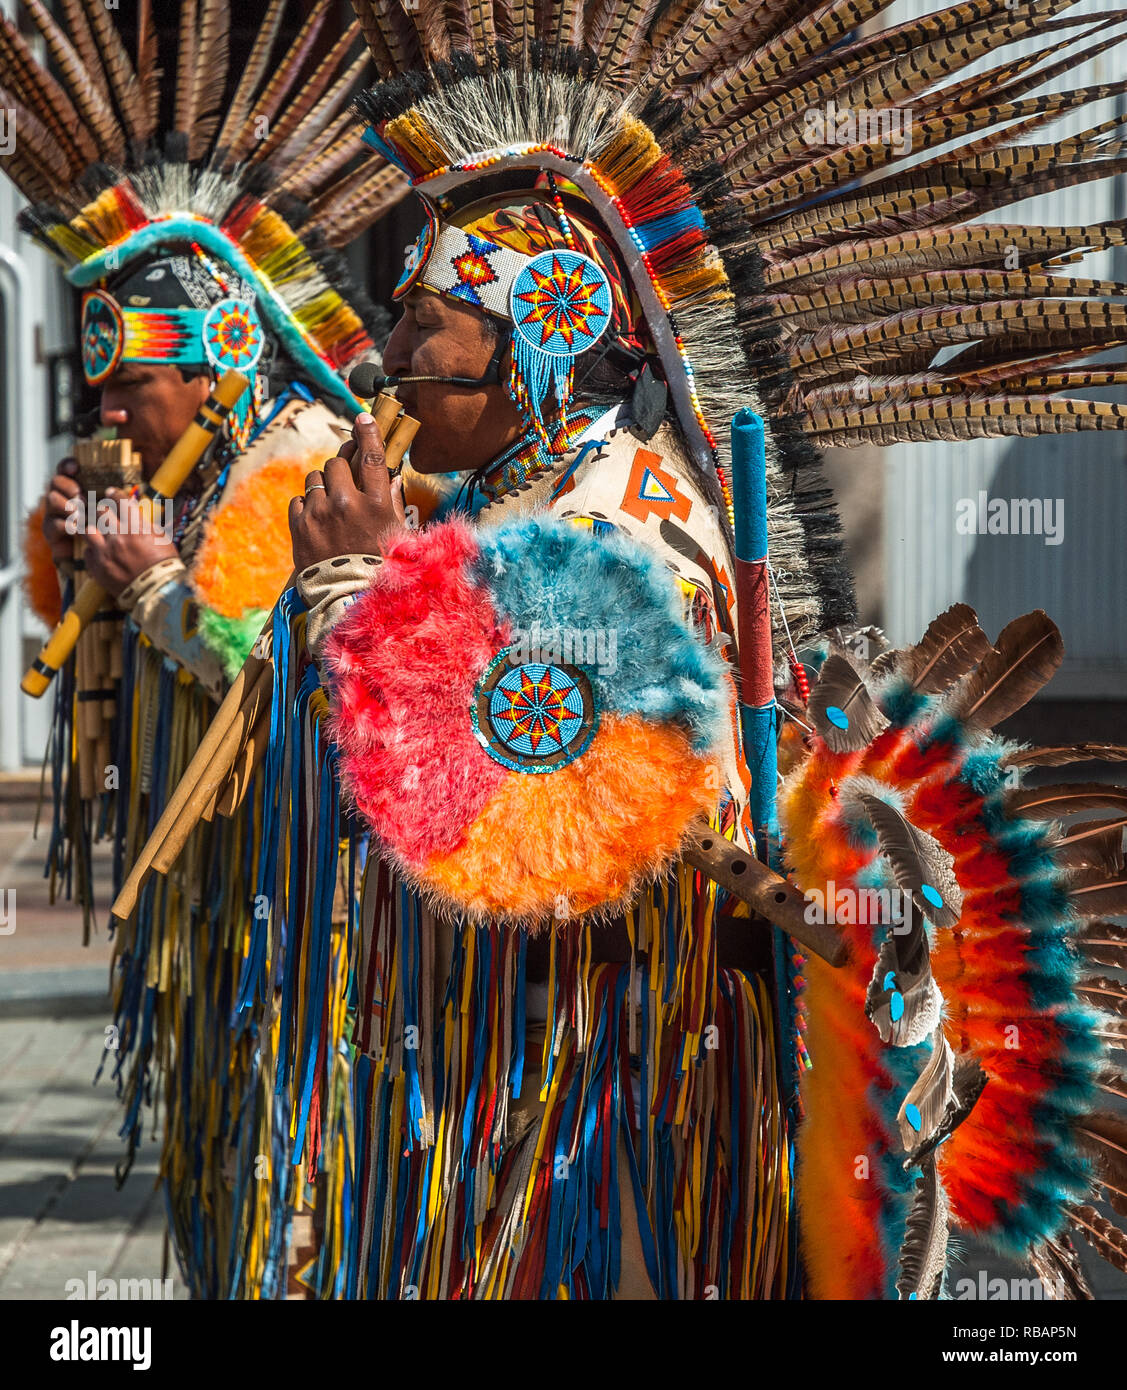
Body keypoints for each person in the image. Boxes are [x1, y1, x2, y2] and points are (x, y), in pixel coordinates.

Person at [3, 0, 405, 1298]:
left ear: (222, 347)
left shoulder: (292, 462)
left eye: (131, 382)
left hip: (300, 926)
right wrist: (91, 550)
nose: (112, 409)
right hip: (225, 920)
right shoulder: (213, 459)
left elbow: (280, 680)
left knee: (296, 1208)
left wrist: (157, 578)